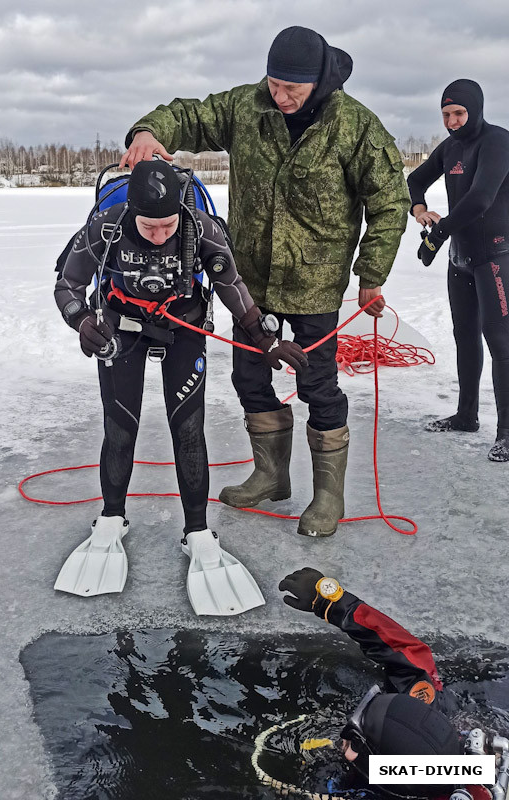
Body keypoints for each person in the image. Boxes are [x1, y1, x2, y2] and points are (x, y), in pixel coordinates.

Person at [120, 25, 410, 537]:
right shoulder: (247, 107)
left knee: (318, 385)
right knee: (248, 378)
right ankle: (272, 475)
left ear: (317, 80)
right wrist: (148, 131)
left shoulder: (356, 126)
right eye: (273, 85)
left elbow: (389, 202)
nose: (279, 97)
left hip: (315, 284)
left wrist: (372, 274)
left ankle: (328, 496)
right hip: (250, 283)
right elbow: (189, 114)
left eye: (290, 89)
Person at [53, 160, 307, 616]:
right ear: (132, 211)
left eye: (167, 225)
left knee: (188, 430)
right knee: (120, 428)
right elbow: (67, 283)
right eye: (150, 226)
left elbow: (232, 287)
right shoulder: (107, 226)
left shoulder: (199, 226)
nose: (159, 234)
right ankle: (111, 519)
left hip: (183, 326)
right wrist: (82, 321)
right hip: (121, 329)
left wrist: (267, 341)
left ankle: (197, 531)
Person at [278, 567, 501, 799]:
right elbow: (409, 656)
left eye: (355, 741)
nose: (343, 739)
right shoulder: (426, 736)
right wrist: (332, 603)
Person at [407, 79, 509, 463]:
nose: (452, 122)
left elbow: (481, 198)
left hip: (495, 255)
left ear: (475, 109)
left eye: (458, 113)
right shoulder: (450, 147)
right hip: (461, 256)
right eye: (446, 114)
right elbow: (415, 180)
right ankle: (466, 416)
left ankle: (507, 433)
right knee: (465, 336)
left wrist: (439, 233)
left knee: (501, 342)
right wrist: (420, 210)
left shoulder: (497, 142)